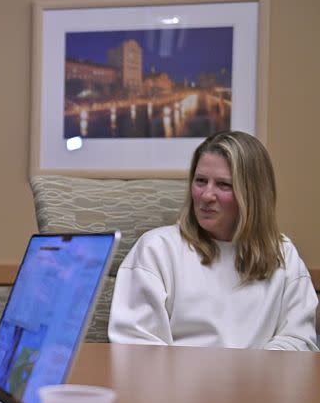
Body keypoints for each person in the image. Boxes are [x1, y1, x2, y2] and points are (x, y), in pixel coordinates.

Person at [108, 131, 318, 351]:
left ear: (252, 194)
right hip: (175, 383)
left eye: (223, 185)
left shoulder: (283, 255)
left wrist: (245, 377)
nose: (207, 195)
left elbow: (299, 341)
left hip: (260, 382)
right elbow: (136, 344)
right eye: (200, 181)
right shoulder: (157, 249)